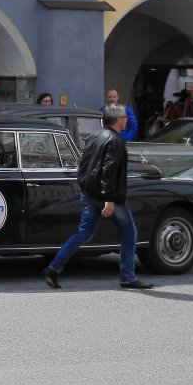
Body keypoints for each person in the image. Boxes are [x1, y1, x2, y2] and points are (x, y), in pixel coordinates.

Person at [44, 103, 154, 290]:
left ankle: (54, 268)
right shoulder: (116, 141)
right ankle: (127, 276)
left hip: (90, 193)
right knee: (129, 232)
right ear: (118, 120)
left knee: (84, 233)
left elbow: (84, 164)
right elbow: (108, 171)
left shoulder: (94, 136)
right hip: (108, 196)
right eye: (125, 117)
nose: (127, 119)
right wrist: (109, 200)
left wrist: (85, 187)